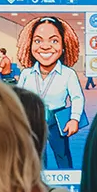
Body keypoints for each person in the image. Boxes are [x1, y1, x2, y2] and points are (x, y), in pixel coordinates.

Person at [16, 16, 85, 170]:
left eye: (54, 41)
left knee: (62, 155)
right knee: (37, 155)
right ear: (30, 45)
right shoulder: (26, 74)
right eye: (38, 41)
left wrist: (74, 119)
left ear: (64, 46)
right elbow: (17, 98)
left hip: (57, 119)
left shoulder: (68, 74)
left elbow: (77, 98)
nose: (45, 47)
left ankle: (67, 186)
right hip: (32, 118)